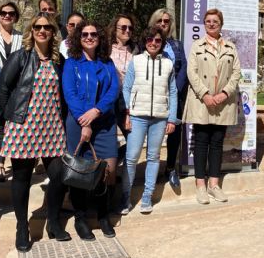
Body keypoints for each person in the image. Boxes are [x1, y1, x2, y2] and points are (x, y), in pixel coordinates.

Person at [0, 13, 69, 252]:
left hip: (52, 127)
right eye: (37, 27)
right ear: (31, 30)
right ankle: (21, 227)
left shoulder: (60, 61)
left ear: (52, 32)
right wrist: (10, 116)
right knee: (21, 179)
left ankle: (55, 223)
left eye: (47, 27)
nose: (42, 30)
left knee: (58, 177)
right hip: (24, 127)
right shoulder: (21, 56)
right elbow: (3, 87)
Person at [62, 21, 119, 239]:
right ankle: (81, 218)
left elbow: (113, 90)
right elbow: (70, 93)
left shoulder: (107, 63)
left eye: (93, 34)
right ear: (78, 37)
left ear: (100, 37)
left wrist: (96, 111)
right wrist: (85, 122)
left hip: (104, 122)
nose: (89, 37)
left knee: (108, 171)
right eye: (84, 34)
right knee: (80, 171)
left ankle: (103, 215)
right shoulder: (71, 64)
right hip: (78, 123)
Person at [184, 9, 241, 204]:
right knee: (201, 143)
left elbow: (236, 73)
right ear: (204, 24)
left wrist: (224, 94)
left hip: (223, 103)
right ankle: (201, 186)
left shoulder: (231, 47)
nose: (211, 24)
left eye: (215, 21)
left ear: (221, 24)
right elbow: (191, 72)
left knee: (217, 143)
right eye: (208, 21)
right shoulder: (196, 46)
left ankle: (214, 185)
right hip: (203, 102)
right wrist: (205, 94)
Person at [121, 26, 178, 214]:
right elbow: (127, 88)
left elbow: (173, 92)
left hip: (160, 118)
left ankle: (147, 197)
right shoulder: (136, 61)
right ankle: (125, 199)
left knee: (153, 157)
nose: (153, 43)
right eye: (150, 40)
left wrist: (172, 118)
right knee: (131, 157)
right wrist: (128, 112)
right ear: (144, 42)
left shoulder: (168, 64)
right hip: (138, 116)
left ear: (162, 44)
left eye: (158, 41)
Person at [148, 9, 188, 189]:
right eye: (159, 21)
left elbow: (184, 67)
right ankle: (152, 169)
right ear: (153, 23)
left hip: (175, 98)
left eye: (166, 21)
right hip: (153, 97)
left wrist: (176, 90)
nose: (163, 24)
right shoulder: (147, 43)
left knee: (174, 135)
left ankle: (171, 167)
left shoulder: (177, 45)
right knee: (154, 135)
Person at [0, 1, 24, 183]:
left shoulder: (21, 37)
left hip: (14, 87)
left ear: (16, 16)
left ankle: (5, 161)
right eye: (3, 13)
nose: (7, 15)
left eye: (11, 13)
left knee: (8, 124)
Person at [108, 13, 139, 159]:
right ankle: (109, 177)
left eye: (130, 28)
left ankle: (122, 168)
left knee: (133, 140)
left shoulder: (136, 51)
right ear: (115, 29)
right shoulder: (105, 49)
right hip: (109, 100)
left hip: (128, 101)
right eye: (123, 27)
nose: (127, 31)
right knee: (107, 141)